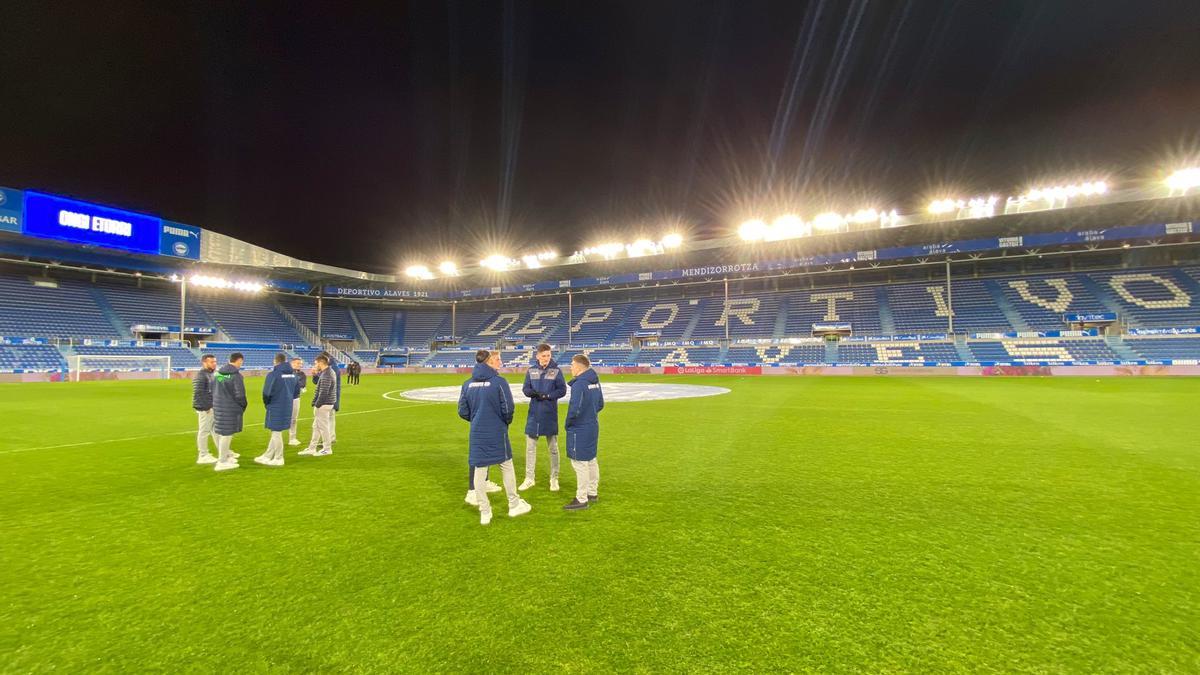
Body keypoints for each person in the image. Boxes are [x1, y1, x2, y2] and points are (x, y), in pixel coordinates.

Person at [457, 349, 532, 525]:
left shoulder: (467, 384)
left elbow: (462, 411)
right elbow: (508, 408)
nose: (500, 362)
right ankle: (514, 505)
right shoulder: (499, 382)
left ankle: (485, 511)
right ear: (489, 362)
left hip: (477, 432)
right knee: (506, 465)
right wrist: (503, 422)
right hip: (497, 430)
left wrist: (477, 420)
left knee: (479, 469)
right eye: (497, 359)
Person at [519, 343, 567, 492]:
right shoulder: (531, 370)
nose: (546, 358)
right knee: (530, 449)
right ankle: (529, 478)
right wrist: (530, 393)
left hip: (549, 414)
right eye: (544, 356)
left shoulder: (556, 371)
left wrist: (548, 396)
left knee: (553, 448)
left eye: (548, 355)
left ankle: (554, 478)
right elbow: (525, 388)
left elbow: (562, 390)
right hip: (534, 414)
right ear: (537, 356)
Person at [563, 353, 603, 510]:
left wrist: (569, 423)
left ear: (579, 367)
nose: (570, 368)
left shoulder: (579, 384)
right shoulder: (595, 381)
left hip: (579, 428)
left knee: (579, 462)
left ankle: (581, 498)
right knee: (591, 459)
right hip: (592, 424)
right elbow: (600, 404)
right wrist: (590, 414)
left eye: (572, 365)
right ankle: (592, 492)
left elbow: (575, 409)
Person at [256, 353, 296, 467]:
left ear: (275, 361)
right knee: (276, 432)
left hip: (275, 405)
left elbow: (266, 393)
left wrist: (267, 403)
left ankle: (279, 457)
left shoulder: (273, 375)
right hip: (287, 405)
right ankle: (268, 455)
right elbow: (296, 390)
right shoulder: (293, 374)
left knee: (276, 432)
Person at [212, 352, 248, 472]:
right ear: (239, 361)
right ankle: (222, 461)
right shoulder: (236, 376)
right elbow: (240, 395)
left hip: (219, 406)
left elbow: (213, 388)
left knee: (223, 433)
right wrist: (243, 406)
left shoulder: (219, 374)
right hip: (230, 408)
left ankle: (225, 457)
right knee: (226, 435)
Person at [299, 355, 336, 457]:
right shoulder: (326, 372)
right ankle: (312, 448)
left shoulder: (327, 374)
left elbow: (323, 391)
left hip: (324, 405)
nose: (315, 365)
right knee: (316, 427)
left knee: (323, 428)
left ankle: (327, 449)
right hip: (324, 404)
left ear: (321, 362)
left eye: (316, 363)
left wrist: (317, 404)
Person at [192, 353, 218, 465]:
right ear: (204, 363)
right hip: (206, 408)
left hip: (211, 407)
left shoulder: (211, 374)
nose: (214, 364)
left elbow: (223, 377)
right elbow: (198, 393)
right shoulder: (201, 375)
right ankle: (203, 455)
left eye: (215, 362)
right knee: (204, 431)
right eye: (212, 362)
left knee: (215, 430)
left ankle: (223, 451)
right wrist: (206, 407)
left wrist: (232, 374)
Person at [287, 356, 306, 446]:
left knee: (294, 419)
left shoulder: (302, 374)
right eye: (298, 363)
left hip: (295, 398)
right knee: (280, 419)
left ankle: (292, 438)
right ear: (292, 363)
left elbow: (301, 385)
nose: (300, 365)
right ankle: (275, 438)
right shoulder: (286, 372)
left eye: (301, 364)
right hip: (284, 399)